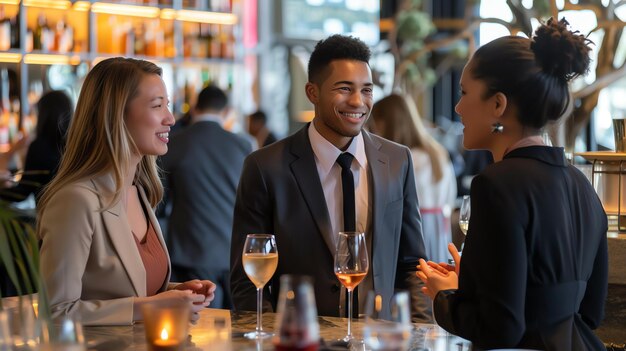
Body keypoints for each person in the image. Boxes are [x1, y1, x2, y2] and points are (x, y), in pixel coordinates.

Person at [417, 18, 608, 350]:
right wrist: (473, 284)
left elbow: (499, 327)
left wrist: (445, 295)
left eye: (465, 92)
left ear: (497, 105)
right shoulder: (582, 184)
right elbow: (589, 313)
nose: (458, 107)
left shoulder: (496, 184)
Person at [230, 34, 431, 322]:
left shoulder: (397, 160)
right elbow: (247, 280)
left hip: (380, 335)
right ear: (312, 92)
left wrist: (421, 332)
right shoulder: (265, 167)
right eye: (344, 88)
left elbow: (413, 264)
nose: (358, 102)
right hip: (301, 337)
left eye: (367, 90)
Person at [37, 57, 216, 326]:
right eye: (157, 106)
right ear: (117, 114)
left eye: (167, 105)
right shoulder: (75, 200)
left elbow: (125, 291)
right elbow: (56, 312)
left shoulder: (139, 192)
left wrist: (173, 294)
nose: (170, 118)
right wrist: (150, 307)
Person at [161, 84, 251, 309]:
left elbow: (159, 201)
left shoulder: (175, 143)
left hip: (190, 251)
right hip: (234, 251)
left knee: (203, 329)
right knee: (238, 327)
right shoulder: (243, 145)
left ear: (194, 108)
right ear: (226, 111)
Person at [368, 93, 457, 263]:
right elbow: (450, 197)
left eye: (376, 125)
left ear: (387, 123)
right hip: (439, 226)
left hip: (413, 227)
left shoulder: (404, 159)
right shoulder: (436, 152)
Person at [0, 90, 72, 203]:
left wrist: (1, 187)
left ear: (44, 115)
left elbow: (21, 193)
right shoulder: (74, 144)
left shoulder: (39, 147)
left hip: (48, 215)